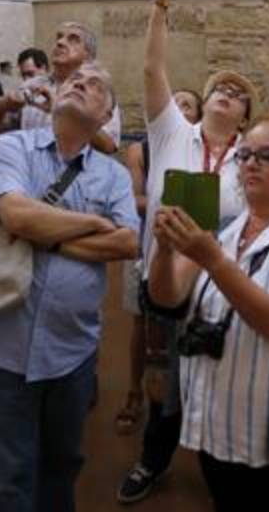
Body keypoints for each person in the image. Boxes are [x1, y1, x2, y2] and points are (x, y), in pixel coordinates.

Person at [116, 0, 258, 504]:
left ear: (245, 114)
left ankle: (222, 466)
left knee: (218, 376)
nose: (224, 92)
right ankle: (153, 460)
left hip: (221, 286)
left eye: (237, 93)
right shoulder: (172, 133)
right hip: (165, 280)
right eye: (218, 86)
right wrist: (161, 3)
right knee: (164, 383)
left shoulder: (251, 156)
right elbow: (153, 70)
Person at [147, 117, 269, 511]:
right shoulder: (222, 230)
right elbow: (168, 298)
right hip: (217, 421)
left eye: (268, 155)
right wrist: (165, 250)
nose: (252, 162)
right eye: (245, 154)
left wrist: (213, 259)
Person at [0, 62, 139, 512]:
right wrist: (91, 222)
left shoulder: (114, 176)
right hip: (4, 346)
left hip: (72, 350)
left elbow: (127, 241)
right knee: (5, 478)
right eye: (74, 81)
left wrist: (46, 234)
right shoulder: (13, 146)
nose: (81, 84)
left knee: (62, 465)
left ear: (106, 118)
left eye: (96, 86)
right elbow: (17, 217)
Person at [117, 89, 202, 442]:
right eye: (174, 103)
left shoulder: (201, 152)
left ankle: (183, 402)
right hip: (146, 245)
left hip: (187, 252)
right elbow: (133, 198)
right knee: (142, 323)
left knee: (186, 328)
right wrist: (165, 198)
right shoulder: (144, 149)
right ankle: (136, 391)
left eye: (187, 105)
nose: (179, 109)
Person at [0, 26, 121, 154]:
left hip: (78, 178)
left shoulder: (98, 92)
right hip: (32, 176)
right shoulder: (31, 86)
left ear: (88, 55)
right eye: (59, 37)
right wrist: (2, 106)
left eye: (73, 40)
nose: (60, 43)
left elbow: (109, 145)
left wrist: (62, 110)